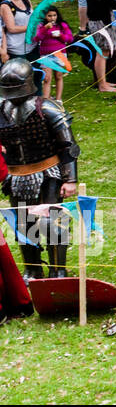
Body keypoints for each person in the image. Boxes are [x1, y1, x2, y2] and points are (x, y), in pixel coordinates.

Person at [0, 58, 79, 279]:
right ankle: (32, 270)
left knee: (52, 223)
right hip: (17, 176)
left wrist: (70, 179)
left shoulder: (47, 109)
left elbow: (69, 146)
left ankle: (58, 270)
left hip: (48, 174)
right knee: (24, 225)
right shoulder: (1, 110)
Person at [84, 0, 116, 92]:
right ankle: (102, 84)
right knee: (102, 52)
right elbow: (115, 3)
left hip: (99, 22)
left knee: (103, 52)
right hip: (101, 23)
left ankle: (103, 81)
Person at [34, 6, 72, 101]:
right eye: (49, 16)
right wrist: (45, 29)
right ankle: (46, 100)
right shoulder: (41, 25)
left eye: (54, 15)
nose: (52, 18)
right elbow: (37, 38)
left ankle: (59, 100)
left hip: (60, 54)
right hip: (46, 55)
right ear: (45, 16)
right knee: (47, 78)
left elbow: (70, 38)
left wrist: (60, 35)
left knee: (58, 76)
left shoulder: (62, 25)